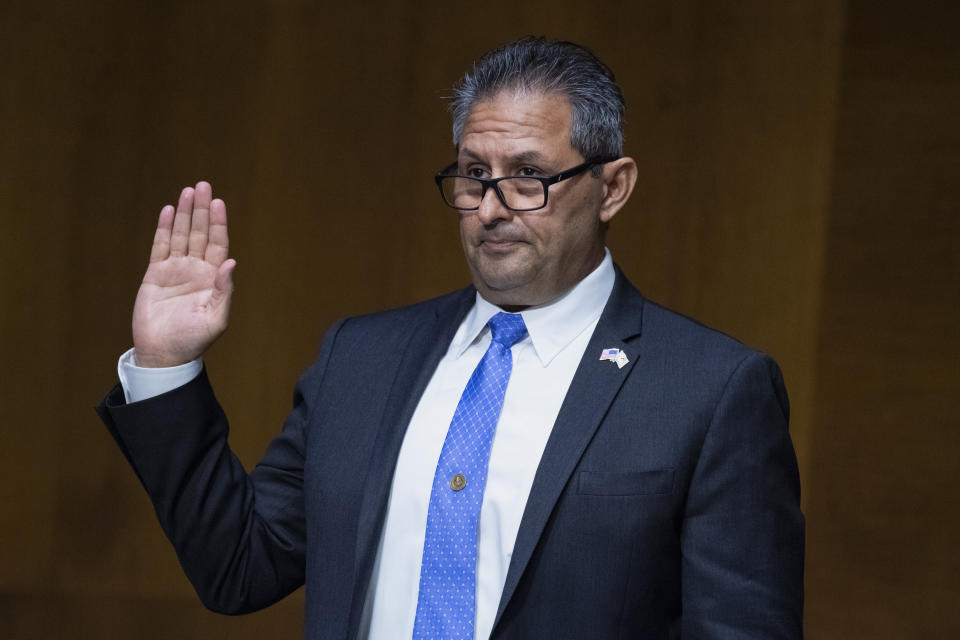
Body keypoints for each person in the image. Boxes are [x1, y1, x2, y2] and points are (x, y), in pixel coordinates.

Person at [97, 37, 804, 639]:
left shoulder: (709, 390)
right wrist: (166, 365)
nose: (491, 208)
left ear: (612, 187)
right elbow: (240, 568)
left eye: (529, 176)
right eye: (473, 176)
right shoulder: (361, 359)